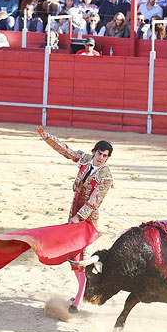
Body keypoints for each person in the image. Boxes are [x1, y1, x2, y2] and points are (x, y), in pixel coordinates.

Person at [35, 125, 113, 314]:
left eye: (105, 156)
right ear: (94, 152)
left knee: (82, 258)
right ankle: (84, 292)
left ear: (108, 158)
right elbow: (67, 151)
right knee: (72, 256)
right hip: (74, 214)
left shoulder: (106, 177)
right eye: (99, 154)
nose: (101, 158)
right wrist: (47, 137)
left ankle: (79, 300)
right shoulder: (86, 159)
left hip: (86, 222)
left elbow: (94, 201)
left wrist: (79, 217)